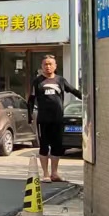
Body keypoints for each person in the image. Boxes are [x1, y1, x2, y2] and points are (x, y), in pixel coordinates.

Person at [27, 55, 81, 183]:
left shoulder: (60, 80)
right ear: (42, 66)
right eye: (45, 64)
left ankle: (54, 173)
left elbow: (73, 90)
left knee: (57, 146)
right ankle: (46, 174)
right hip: (43, 120)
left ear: (55, 66)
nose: (48, 66)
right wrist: (30, 116)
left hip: (57, 119)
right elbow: (31, 100)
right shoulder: (37, 81)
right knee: (44, 146)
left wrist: (87, 97)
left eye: (50, 64)